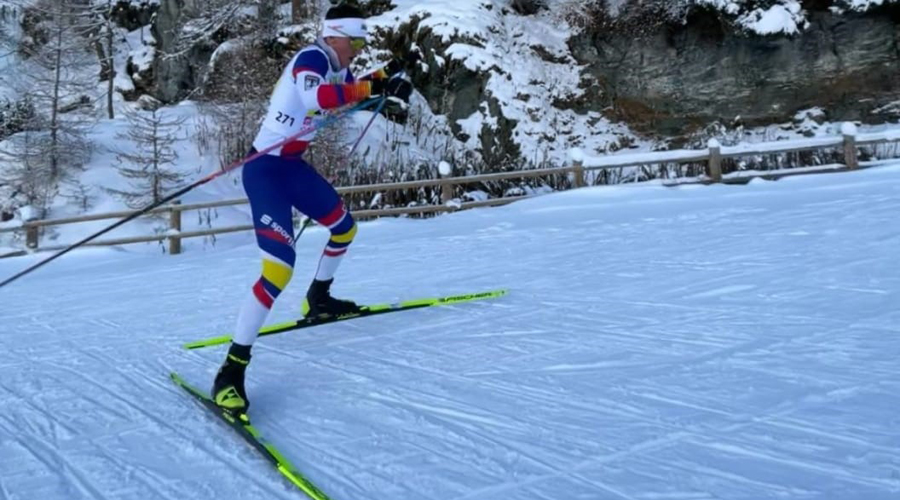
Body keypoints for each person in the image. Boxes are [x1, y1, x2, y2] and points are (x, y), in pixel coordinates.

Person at [211, 3, 413, 415]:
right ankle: (231, 369)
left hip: (291, 166)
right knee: (278, 268)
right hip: (265, 170)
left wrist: (389, 76)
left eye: (363, 42)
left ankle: (318, 299)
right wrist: (375, 88)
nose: (359, 49)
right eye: (355, 41)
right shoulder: (312, 58)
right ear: (335, 35)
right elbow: (315, 96)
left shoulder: (339, 66)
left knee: (344, 227)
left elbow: (348, 96)